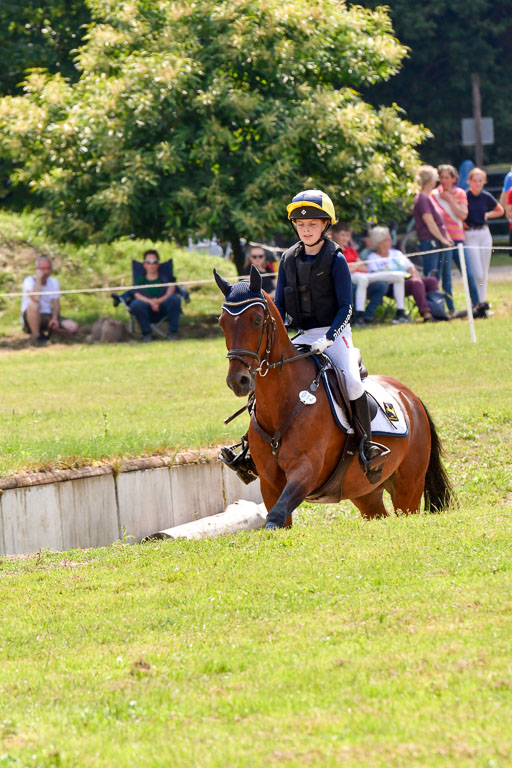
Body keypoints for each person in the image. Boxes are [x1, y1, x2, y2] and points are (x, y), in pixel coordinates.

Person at [274, 189, 388, 482]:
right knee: (271, 375)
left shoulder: (336, 259)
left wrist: (329, 336)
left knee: (350, 380)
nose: (306, 229)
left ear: (325, 225)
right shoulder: (287, 260)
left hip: (335, 334)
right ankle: (252, 446)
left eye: (312, 223)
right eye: (301, 225)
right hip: (302, 335)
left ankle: (366, 445)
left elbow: (347, 307)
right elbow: (279, 306)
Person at [432, 164, 486, 318]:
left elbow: (462, 214)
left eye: (447, 177)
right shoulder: (434, 195)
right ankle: (451, 308)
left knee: (468, 273)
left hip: (458, 239)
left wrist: (449, 199)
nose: (443, 180)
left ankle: (477, 306)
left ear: (454, 179)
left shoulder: (460, 193)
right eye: (441, 177)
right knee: (446, 276)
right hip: (444, 240)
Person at [367, 227, 440, 322]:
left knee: (431, 281)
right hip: (392, 286)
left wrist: (414, 274)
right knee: (415, 283)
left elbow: (410, 267)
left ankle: (437, 311)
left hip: (409, 280)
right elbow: (376, 277)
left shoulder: (396, 253)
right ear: (379, 243)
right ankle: (426, 313)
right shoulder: (372, 258)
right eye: (388, 239)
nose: (391, 241)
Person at [330, 222, 388, 328]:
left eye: (347, 235)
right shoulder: (332, 251)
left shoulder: (351, 250)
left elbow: (365, 268)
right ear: (335, 235)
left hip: (362, 279)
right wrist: (355, 265)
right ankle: (357, 316)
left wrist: (352, 266)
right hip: (347, 283)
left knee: (381, 285)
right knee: (357, 286)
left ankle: (366, 317)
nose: (345, 238)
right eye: (343, 235)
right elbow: (342, 270)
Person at [465, 168, 503, 306]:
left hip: (484, 234)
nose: (478, 184)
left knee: (484, 271)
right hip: (470, 234)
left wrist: (488, 215)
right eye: (475, 181)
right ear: (469, 181)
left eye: (480, 181)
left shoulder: (486, 196)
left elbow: (500, 210)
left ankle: (481, 302)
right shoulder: (465, 196)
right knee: (477, 272)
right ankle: (474, 301)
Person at [21, 256, 78, 346]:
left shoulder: (54, 282)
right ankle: (37, 337)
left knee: (73, 327)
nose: (46, 272)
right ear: (36, 269)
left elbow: (56, 303)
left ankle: (54, 333)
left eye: (48, 268)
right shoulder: (28, 281)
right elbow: (36, 298)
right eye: (43, 269)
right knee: (34, 305)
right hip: (31, 316)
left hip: (48, 316)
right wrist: (38, 279)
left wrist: (55, 318)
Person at [130, 249, 181, 342]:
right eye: (148, 262)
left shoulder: (165, 278)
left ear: (158, 264)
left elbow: (171, 289)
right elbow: (136, 294)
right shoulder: (139, 280)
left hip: (164, 308)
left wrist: (159, 301)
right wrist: (151, 302)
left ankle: (172, 333)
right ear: (144, 265)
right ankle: (147, 334)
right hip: (145, 310)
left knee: (175, 299)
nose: (151, 265)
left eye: (154, 262)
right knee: (136, 304)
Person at [413, 165, 453, 278]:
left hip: (436, 241)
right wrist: (443, 239)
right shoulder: (422, 199)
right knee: (432, 275)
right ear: (431, 180)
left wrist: (445, 238)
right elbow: (429, 222)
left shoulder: (428, 197)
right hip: (431, 242)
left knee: (437, 276)